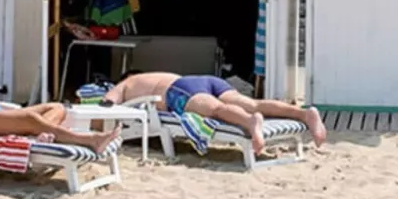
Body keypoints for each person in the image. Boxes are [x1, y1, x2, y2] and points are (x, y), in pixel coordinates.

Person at [100, 71, 326, 156]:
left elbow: (109, 99)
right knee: (252, 102)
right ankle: (305, 114)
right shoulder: (155, 73)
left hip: (177, 91)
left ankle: (249, 122)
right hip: (202, 79)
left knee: (215, 110)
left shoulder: (128, 83)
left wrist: (106, 103)